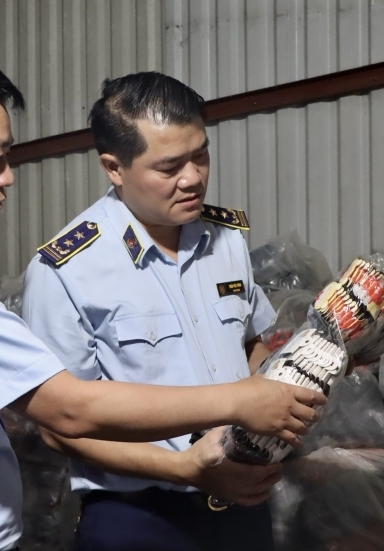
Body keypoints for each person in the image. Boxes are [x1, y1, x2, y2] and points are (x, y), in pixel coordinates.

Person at [0, 51, 324, 551]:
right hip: (90, 520)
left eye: (200, 156)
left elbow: (249, 343)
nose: (9, 176)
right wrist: (236, 407)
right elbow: (66, 411)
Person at [23, 72, 285, 551]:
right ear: (114, 167)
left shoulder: (225, 239)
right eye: (169, 167)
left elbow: (250, 344)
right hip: (139, 516)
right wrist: (183, 468)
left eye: (200, 155)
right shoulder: (68, 268)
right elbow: (58, 427)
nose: (193, 178)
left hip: (242, 502)